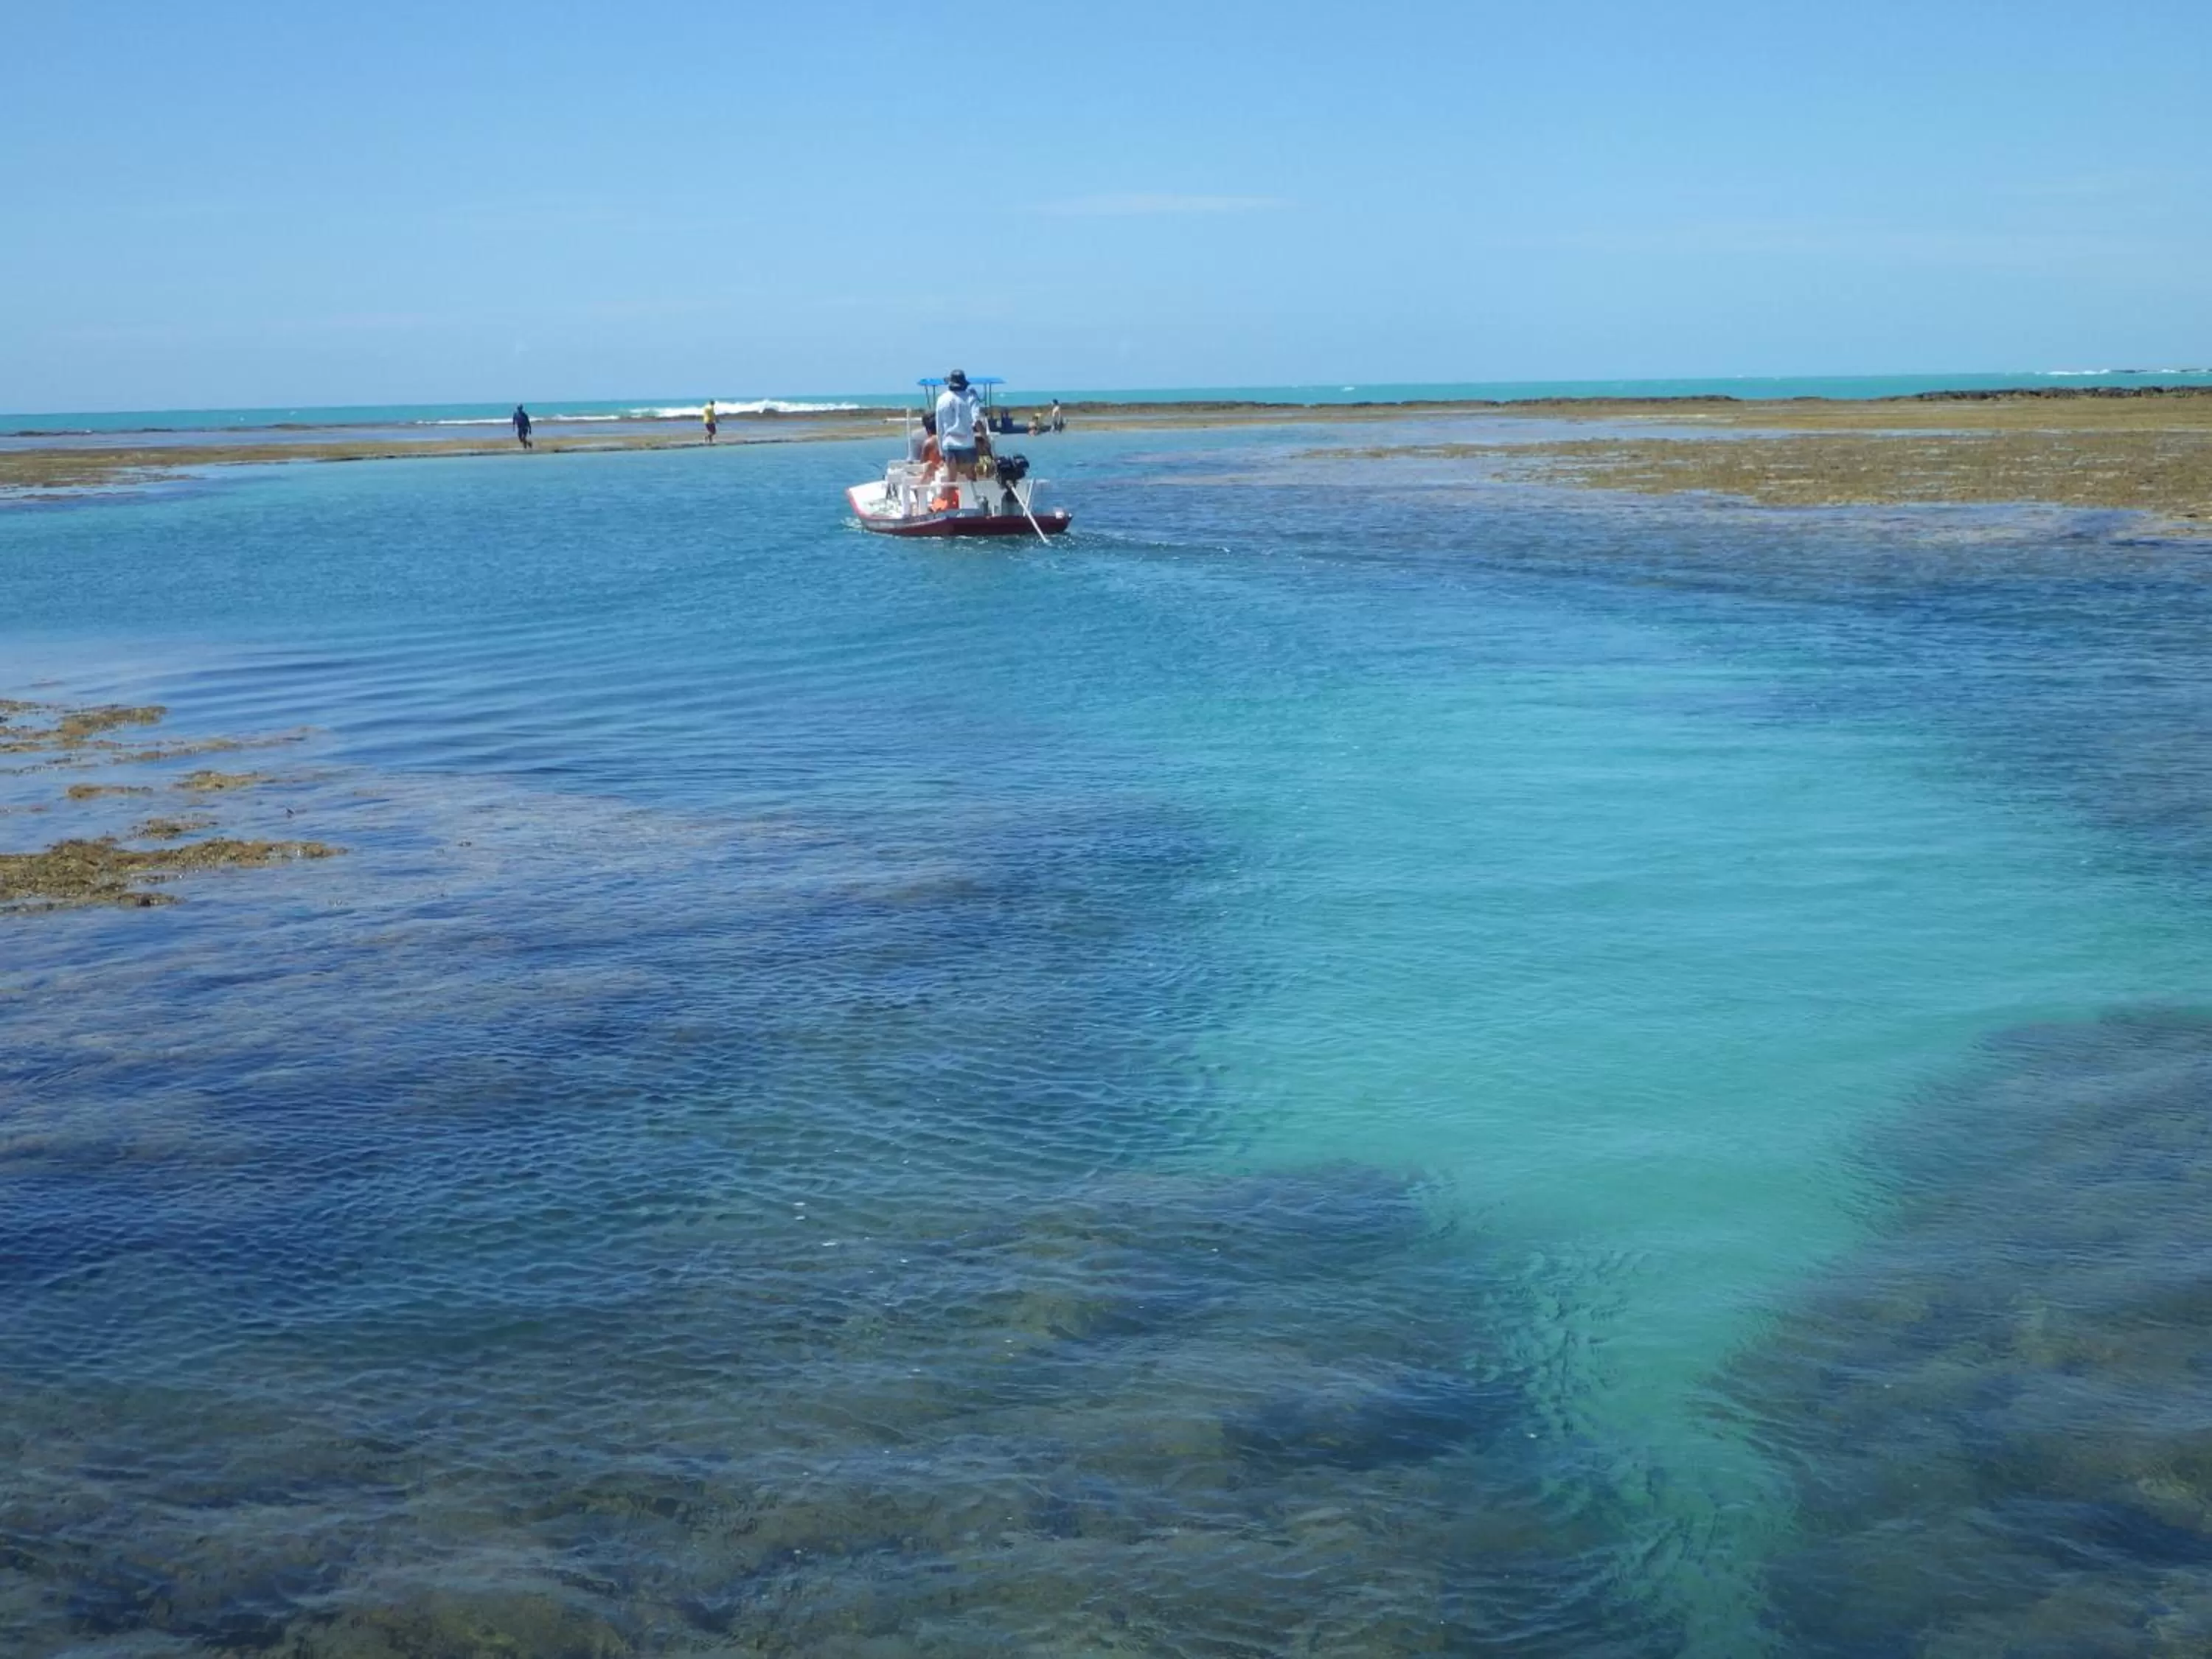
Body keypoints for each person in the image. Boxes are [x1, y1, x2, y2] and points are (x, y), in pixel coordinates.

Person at [933, 369, 989, 480]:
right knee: (971, 478)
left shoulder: (941, 400)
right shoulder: (971, 398)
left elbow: (939, 427)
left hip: (949, 444)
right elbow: (977, 421)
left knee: (951, 480)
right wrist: (986, 440)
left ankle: (950, 496)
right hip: (967, 443)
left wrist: (941, 451)